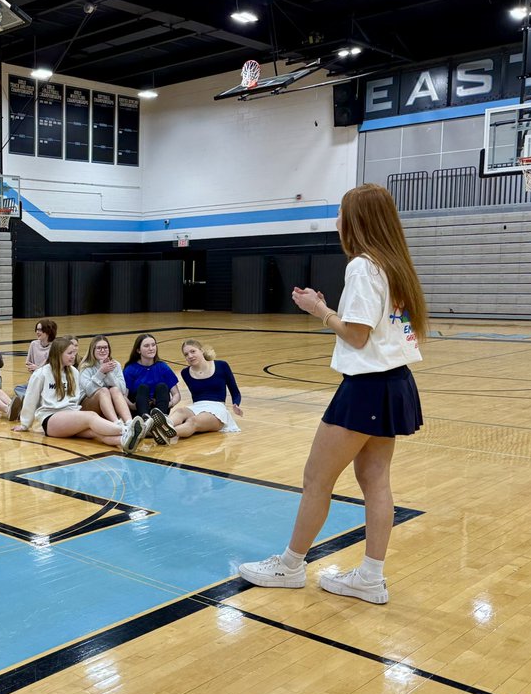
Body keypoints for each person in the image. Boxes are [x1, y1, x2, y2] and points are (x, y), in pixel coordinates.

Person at [238, 183, 427, 605]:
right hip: (394, 382)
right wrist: (333, 311)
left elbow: (358, 337)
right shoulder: (395, 265)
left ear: (357, 220)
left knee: (316, 478)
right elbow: (373, 329)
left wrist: (320, 312)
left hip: (366, 388)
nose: (338, 221)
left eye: (343, 213)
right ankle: (370, 577)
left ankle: (290, 565)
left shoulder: (363, 266)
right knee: (375, 479)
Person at [13, 337, 148, 453]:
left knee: (95, 433)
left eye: (74, 353)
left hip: (70, 416)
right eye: (70, 353)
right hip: (51, 419)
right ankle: (126, 430)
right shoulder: (41, 373)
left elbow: (75, 400)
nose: (74, 356)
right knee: (91, 417)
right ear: (58, 354)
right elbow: (30, 399)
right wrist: (25, 424)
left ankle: (125, 442)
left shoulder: (73, 372)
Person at [152, 340, 243, 445]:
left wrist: (236, 403)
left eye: (193, 351)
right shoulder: (185, 373)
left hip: (217, 409)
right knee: (181, 411)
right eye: (186, 354)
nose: (190, 356)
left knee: (192, 421)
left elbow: (235, 392)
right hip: (197, 407)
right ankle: (162, 426)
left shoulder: (221, 366)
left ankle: (165, 433)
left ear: (201, 351)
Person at [77, 335, 132, 425]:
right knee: (103, 390)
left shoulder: (115, 364)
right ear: (93, 350)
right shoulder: (85, 366)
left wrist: (109, 372)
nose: (103, 350)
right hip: (87, 406)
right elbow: (88, 391)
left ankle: (129, 423)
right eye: (99, 348)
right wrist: (101, 372)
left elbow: (122, 390)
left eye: (105, 347)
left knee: (114, 389)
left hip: (109, 405)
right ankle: (116, 424)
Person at [123, 333, 180, 416]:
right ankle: (145, 420)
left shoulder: (163, 367)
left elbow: (176, 394)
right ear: (138, 350)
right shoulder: (130, 369)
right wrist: (132, 406)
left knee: (162, 386)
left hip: (160, 407)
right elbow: (123, 396)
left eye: (153, 345)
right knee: (143, 387)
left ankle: (161, 419)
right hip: (138, 410)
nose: (151, 348)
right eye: (146, 346)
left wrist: (170, 404)